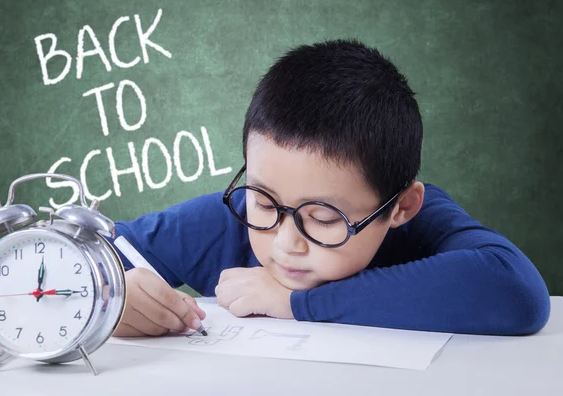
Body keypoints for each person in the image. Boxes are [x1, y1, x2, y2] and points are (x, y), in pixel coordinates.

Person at [110, 39, 550, 338]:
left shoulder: (422, 221)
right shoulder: (224, 219)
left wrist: (297, 302)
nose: (284, 243)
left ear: (400, 207)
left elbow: (517, 292)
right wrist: (110, 298)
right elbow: (80, 254)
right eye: (264, 202)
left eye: (323, 218)